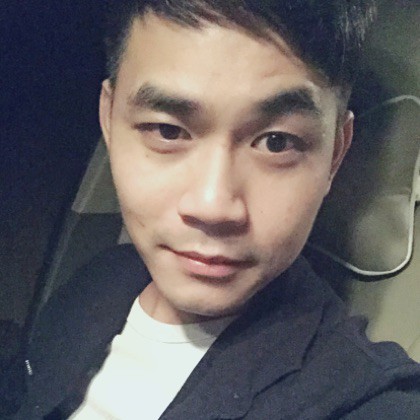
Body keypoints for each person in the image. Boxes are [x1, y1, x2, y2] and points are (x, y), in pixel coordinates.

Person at [8, 1, 420, 418]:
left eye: (276, 142)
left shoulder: (366, 397)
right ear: (109, 121)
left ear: (335, 155)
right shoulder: (100, 279)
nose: (213, 205)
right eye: (168, 130)